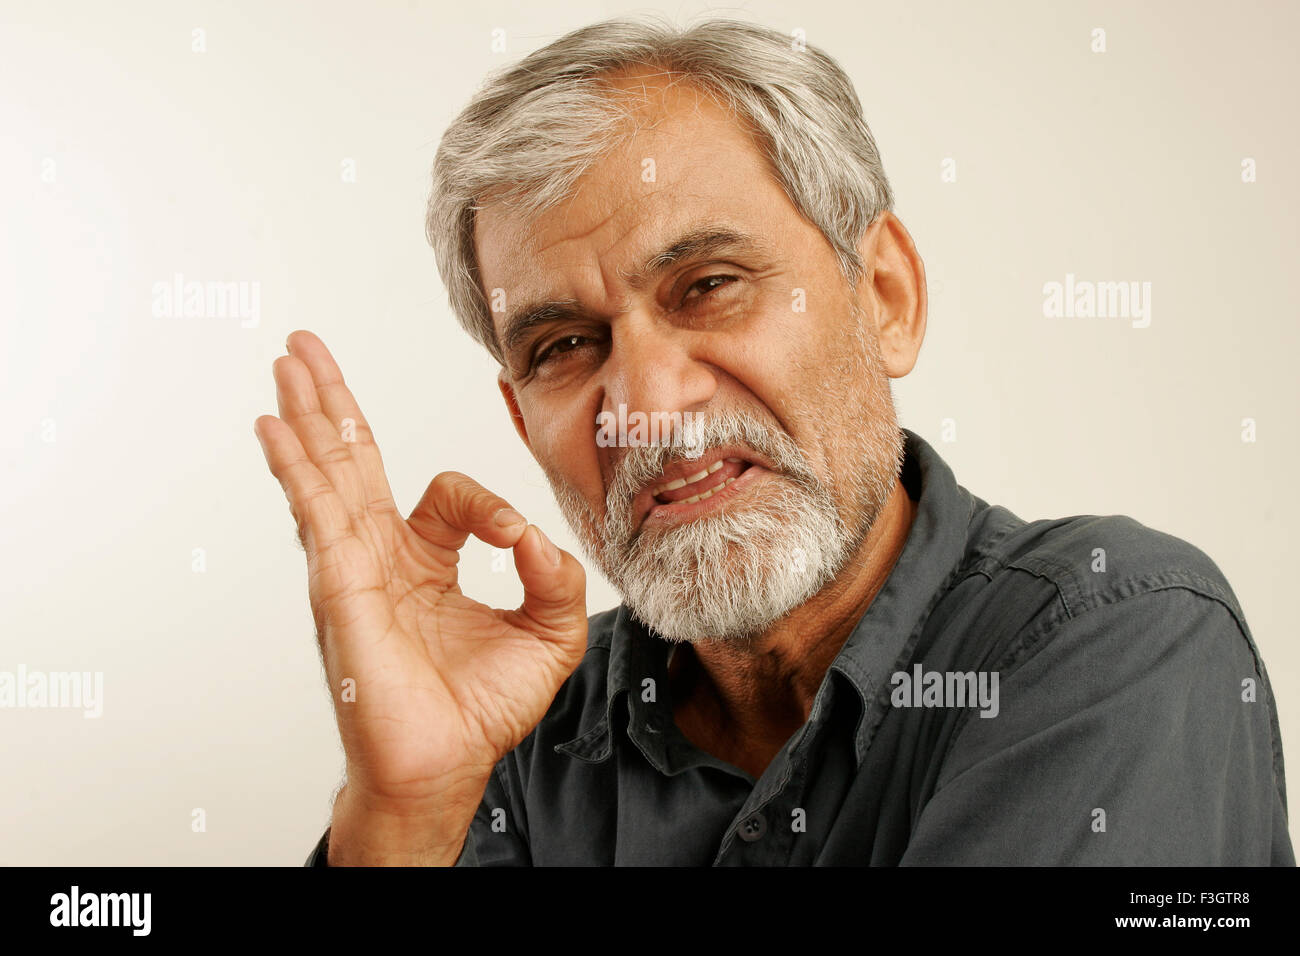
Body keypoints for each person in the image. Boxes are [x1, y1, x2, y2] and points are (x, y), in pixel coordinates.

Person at [254, 15, 1292, 865]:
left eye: (707, 285)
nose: (646, 399)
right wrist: (400, 811)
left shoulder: (1120, 637)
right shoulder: (518, 739)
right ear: (523, 420)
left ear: (883, 296)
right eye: (566, 344)